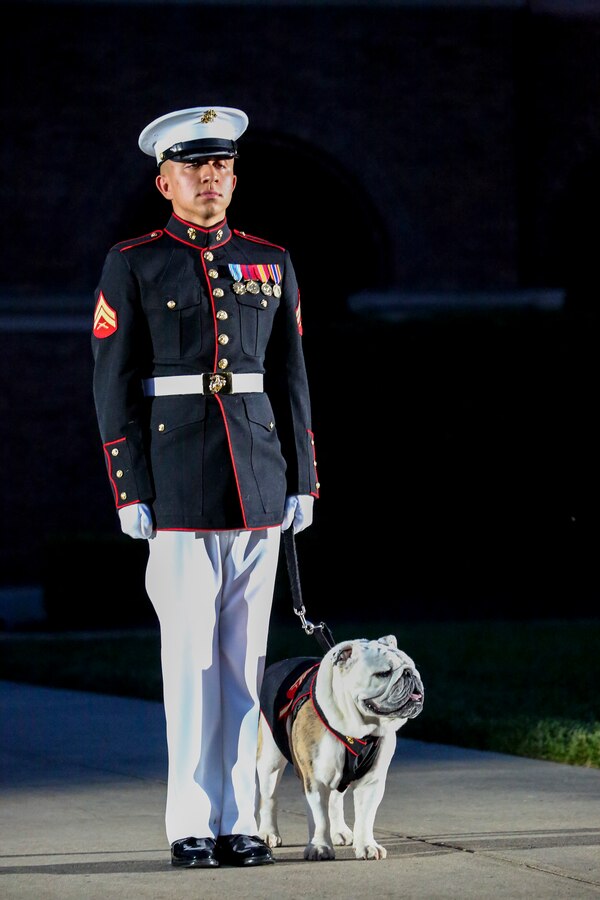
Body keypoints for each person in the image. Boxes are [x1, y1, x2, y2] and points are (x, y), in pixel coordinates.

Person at [91, 106, 319, 869]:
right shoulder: (136, 261)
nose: (211, 179)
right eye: (195, 168)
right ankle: (192, 820)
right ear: (166, 180)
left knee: (245, 669)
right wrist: (129, 489)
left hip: (257, 480)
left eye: (221, 166)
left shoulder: (270, 259)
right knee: (190, 665)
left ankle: (243, 820)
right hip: (179, 484)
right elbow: (112, 382)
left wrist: (304, 478)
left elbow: (291, 379)